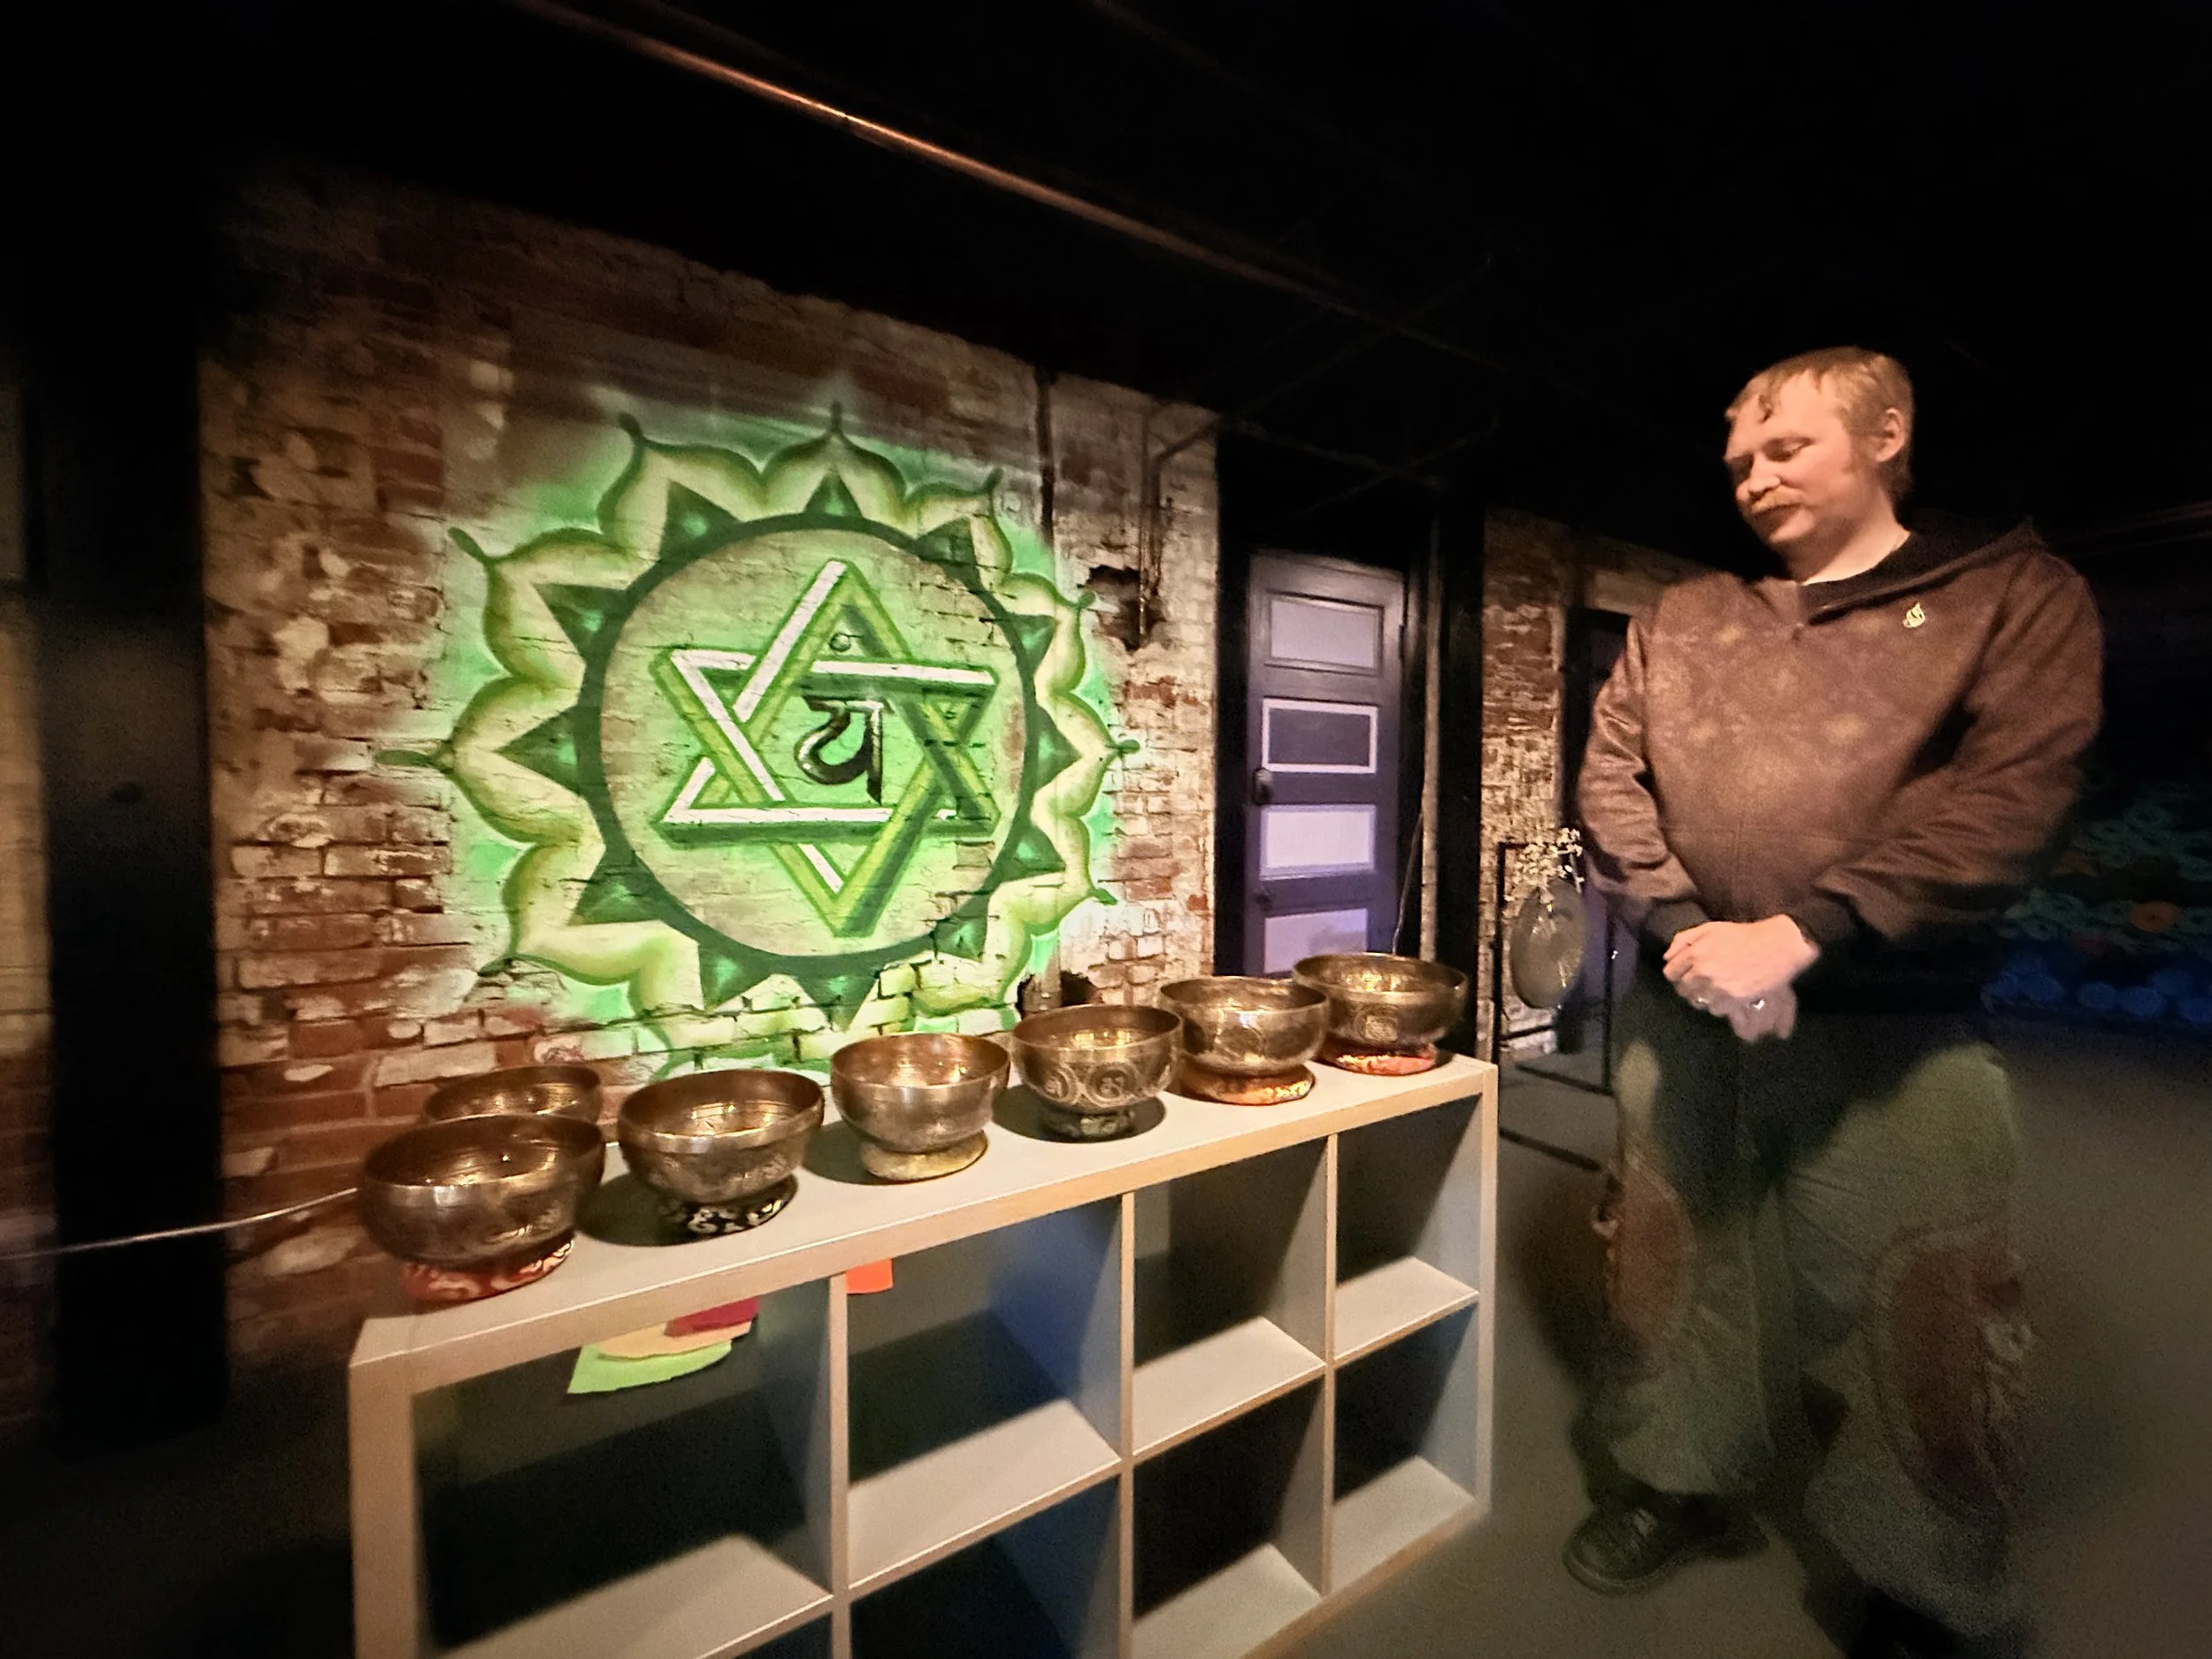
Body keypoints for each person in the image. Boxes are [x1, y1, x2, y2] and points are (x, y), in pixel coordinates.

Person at [1565, 347, 2101, 1657]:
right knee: (1669, 1258)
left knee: (1914, 1299)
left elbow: (2016, 794)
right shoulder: (1686, 618)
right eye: (1741, 459)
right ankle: (1680, 1483)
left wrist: (1808, 932)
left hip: (1896, 1027)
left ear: (1885, 433)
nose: (1755, 477)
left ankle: (1925, 1578)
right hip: (1689, 1007)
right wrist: (1693, 934)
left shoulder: (2011, 598)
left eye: (1787, 447)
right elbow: (1610, 779)